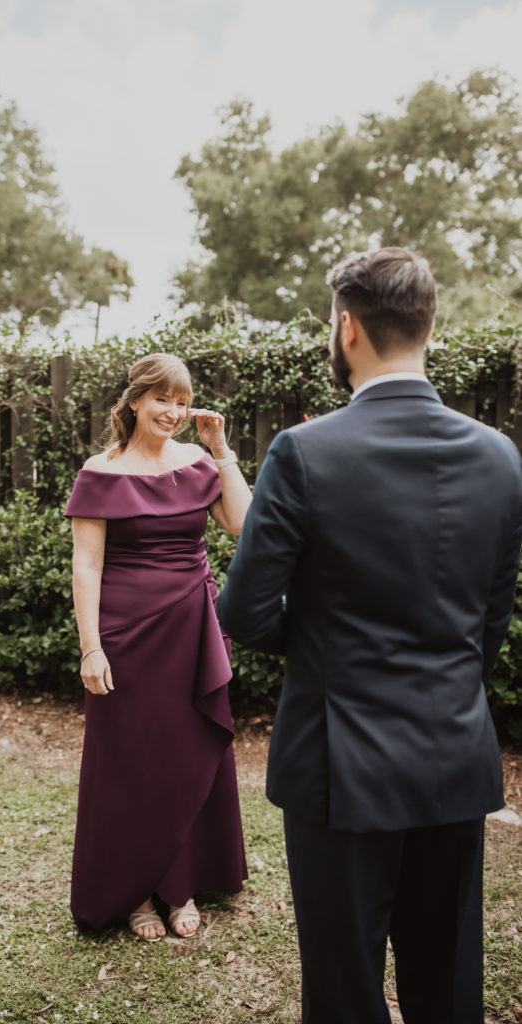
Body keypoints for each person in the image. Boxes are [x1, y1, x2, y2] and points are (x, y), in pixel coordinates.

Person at [217, 247, 522, 1024]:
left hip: (336, 764)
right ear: (428, 326)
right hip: (452, 757)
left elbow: (245, 614)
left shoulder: (303, 452)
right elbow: (489, 623)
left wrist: (324, 643)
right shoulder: (499, 458)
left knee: (344, 988)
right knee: (447, 982)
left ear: (345, 329)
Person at [64, 352, 251, 941]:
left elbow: (242, 526)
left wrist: (221, 451)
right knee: (130, 759)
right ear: (136, 400)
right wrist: (91, 648)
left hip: (192, 629)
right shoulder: (101, 470)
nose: (173, 411)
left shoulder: (198, 461)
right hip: (125, 634)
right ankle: (138, 891)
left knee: (186, 752)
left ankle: (182, 885)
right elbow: (87, 564)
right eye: (162, 399)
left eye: (182, 399)